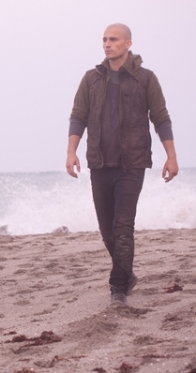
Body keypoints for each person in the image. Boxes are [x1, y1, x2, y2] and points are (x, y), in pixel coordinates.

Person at [66, 24, 179, 306]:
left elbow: (161, 118)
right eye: (104, 39)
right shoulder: (91, 79)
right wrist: (71, 152)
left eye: (113, 39)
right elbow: (78, 116)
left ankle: (118, 288)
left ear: (128, 43)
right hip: (99, 163)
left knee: (123, 227)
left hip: (132, 164)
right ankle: (127, 275)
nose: (107, 44)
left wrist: (171, 155)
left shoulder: (145, 78)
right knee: (107, 231)